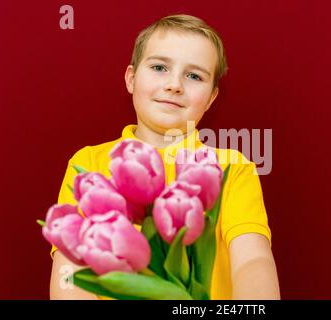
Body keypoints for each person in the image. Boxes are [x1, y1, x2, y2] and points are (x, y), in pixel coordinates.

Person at [49, 14, 280, 300]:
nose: (174, 85)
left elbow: (252, 259)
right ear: (131, 79)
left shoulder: (232, 168)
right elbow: (70, 271)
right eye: (159, 67)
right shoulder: (88, 164)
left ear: (210, 98)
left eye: (194, 76)